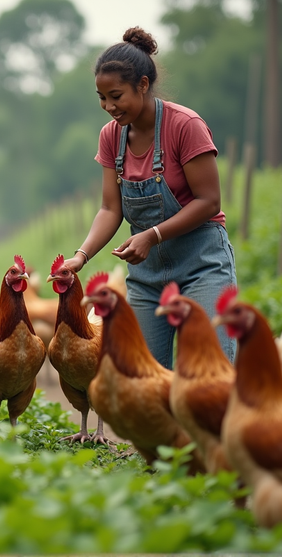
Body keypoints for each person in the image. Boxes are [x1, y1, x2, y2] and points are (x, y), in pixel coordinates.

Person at [63, 27, 237, 368]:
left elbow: (209, 201)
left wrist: (153, 235)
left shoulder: (185, 125)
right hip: (147, 277)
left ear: (143, 85)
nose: (109, 106)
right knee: (143, 379)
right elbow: (110, 208)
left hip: (201, 266)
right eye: (101, 97)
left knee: (207, 372)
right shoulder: (111, 137)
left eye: (116, 95)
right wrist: (81, 256)